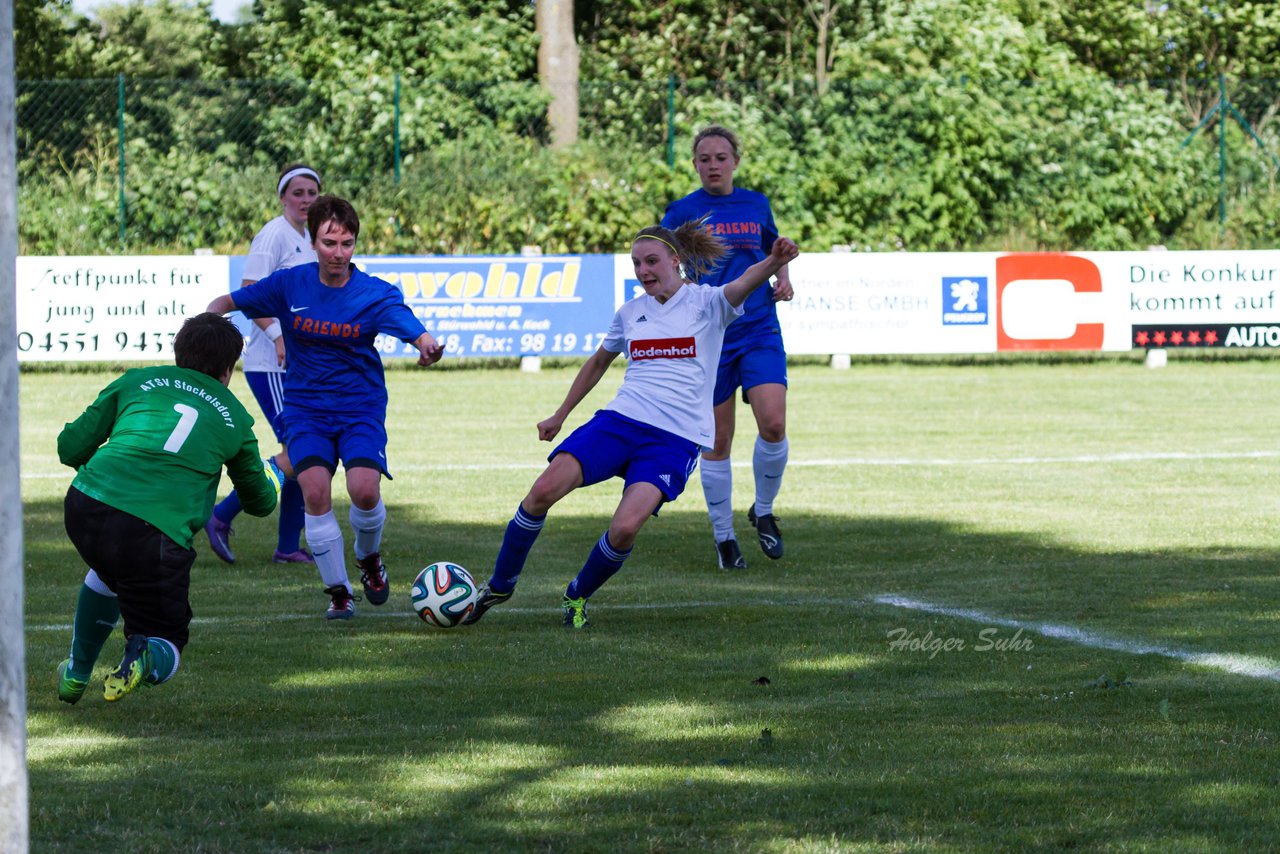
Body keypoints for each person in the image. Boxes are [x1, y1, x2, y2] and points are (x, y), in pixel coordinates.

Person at [464, 220, 799, 629]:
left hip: (674, 440)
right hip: (620, 422)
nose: (643, 271)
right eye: (637, 263)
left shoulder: (708, 303)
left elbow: (743, 282)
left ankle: (577, 595)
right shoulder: (630, 313)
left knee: (623, 529)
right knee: (542, 491)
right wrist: (561, 414)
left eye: (652, 261)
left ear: (676, 261)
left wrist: (773, 261)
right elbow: (598, 363)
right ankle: (500, 585)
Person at [207, 194, 444, 620]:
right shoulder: (289, 284)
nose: (338, 253)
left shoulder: (374, 293)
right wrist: (207, 325)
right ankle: (339, 590)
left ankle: (369, 560)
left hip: (360, 408)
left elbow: (411, 326)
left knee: (364, 490)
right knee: (315, 490)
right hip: (306, 409)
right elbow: (230, 303)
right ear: (313, 241)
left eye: (347, 243)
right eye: (329, 243)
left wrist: (426, 344)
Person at [55, 313, 282, 704]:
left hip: (86, 506)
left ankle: (75, 675)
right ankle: (141, 656)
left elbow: (69, 448)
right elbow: (260, 502)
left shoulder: (136, 381)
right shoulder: (235, 418)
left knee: (108, 572)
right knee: (168, 641)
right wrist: (273, 476)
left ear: (178, 353)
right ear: (228, 370)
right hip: (153, 534)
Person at [662, 125, 795, 570]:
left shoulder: (756, 204)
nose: (713, 165)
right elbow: (663, 267)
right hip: (709, 335)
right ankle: (725, 539)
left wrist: (784, 278)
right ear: (695, 164)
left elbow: (772, 251)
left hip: (757, 326)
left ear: (735, 161)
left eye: (721, 157)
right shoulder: (681, 212)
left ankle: (763, 509)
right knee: (717, 441)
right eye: (705, 158)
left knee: (773, 424)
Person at [205, 163, 322, 566]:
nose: (306, 199)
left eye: (312, 192)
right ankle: (220, 516)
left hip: (300, 364)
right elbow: (249, 293)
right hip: (270, 363)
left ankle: (288, 546)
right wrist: (277, 338)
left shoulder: (311, 237)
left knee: (302, 451)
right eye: (298, 192)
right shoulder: (274, 234)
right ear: (282, 197)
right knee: (299, 449)